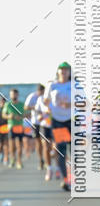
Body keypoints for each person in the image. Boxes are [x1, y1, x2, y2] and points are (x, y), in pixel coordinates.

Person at [44, 63, 72, 192]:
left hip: (72, 120)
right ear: (58, 71)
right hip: (58, 121)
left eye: (66, 70)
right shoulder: (52, 85)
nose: (63, 72)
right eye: (61, 69)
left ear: (70, 72)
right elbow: (46, 101)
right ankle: (65, 179)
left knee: (74, 151)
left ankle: (73, 176)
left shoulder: (75, 85)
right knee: (61, 150)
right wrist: (47, 108)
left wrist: (70, 104)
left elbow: (85, 103)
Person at [25, 84, 47, 171]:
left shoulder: (46, 96)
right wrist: (35, 107)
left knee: (45, 142)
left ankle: (46, 160)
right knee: (38, 142)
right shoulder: (32, 96)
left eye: (43, 92)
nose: (41, 94)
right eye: (40, 92)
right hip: (35, 122)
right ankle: (41, 160)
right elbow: (25, 107)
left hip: (45, 122)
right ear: (37, 91)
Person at [2, 89, 25, 169]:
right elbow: (3, 115)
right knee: (12, 145)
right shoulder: (8, 104)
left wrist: (21, 117)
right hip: (11, 126)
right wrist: (9, 116)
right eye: (12, 94)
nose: (13, 96)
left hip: (20, 127)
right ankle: (12, 159)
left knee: (20, 146)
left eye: (14, 94)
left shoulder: (22, 104)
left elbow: (26, 114)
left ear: (17, 95)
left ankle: (19, 161)